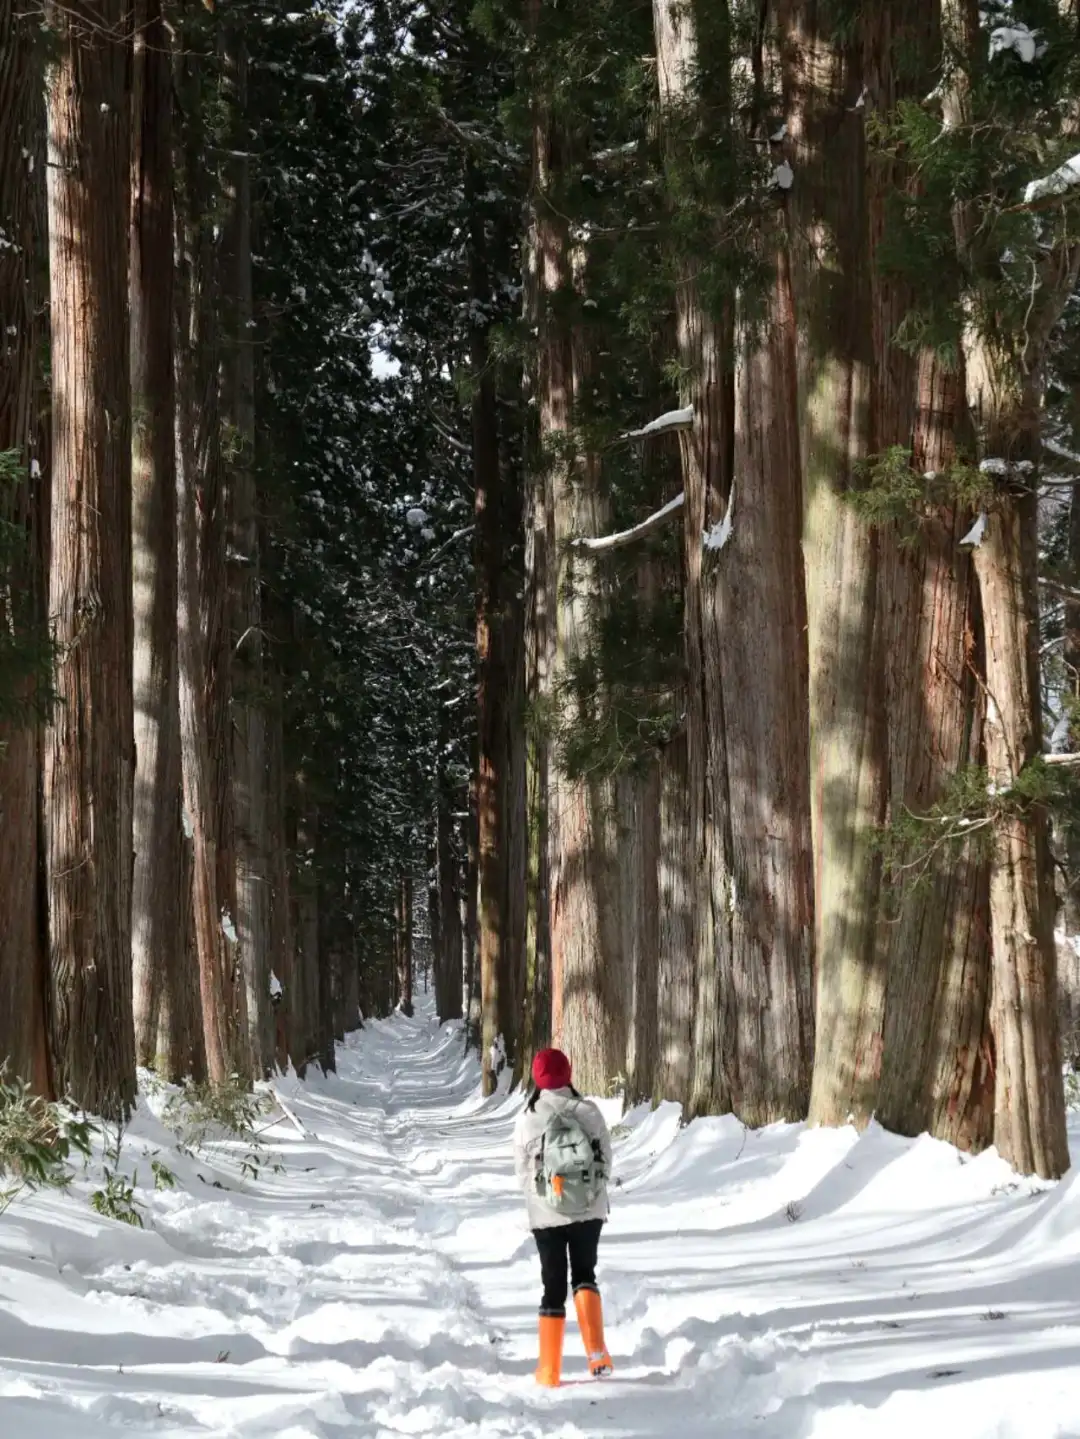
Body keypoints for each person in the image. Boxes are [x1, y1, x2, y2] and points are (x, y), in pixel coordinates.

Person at [513, 1047, 614, 1387]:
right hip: (589, 1209)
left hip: (547, 1215)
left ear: (538, 1079)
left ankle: (550, 1370)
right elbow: (606, 1162)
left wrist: (544, 1199)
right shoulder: (589, 1112)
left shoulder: (529, 1119)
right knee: (585, 1274)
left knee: (552, 1286)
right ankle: (597, 1353)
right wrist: (590, 1196)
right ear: (568, 1073)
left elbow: (523, 1173)